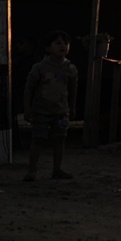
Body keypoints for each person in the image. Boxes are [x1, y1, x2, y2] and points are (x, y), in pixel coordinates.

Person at [23, 31, 78, 181]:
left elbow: (73, 89)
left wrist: (72, 107)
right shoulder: (39, 68)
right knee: (38, 139)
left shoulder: (70, 69)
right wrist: (27, 108)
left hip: (60, 111)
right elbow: (29, 88)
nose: (62, 46)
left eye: (65, 43)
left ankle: (57, 169)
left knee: (60, 139)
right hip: (41, 111)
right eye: (58, 43)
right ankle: (32, 170)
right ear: (48, 48)